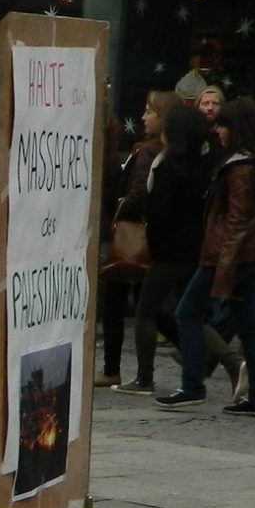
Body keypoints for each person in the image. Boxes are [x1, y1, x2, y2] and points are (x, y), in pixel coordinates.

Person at [158, 95, 255, 415]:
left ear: (235, 128)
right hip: (250, 255)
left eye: (223, 125)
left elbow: (235, 221)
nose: (219, 131)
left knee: (186, 313)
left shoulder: (240, 167)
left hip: (228, 255)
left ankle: (192, 385)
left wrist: (222, 270)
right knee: (250, 324)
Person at [123, 101, 210, 394]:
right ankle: (228, 361)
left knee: (146, 310)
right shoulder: (203, 164)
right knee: (188, 313)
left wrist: (152, 235)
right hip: (194, 246)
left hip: (168, 249)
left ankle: (144, 377)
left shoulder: (167, 165)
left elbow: (159, 212)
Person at [100, 96, 170, 385]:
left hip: (132, 235)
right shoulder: (160, 150)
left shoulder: (145, 153)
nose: (143, 117)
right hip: (151, 235)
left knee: (126, 302)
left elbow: (140, 192)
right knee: (151, 308)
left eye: (149, 111)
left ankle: (123, 371)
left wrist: (119, 211)